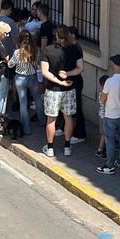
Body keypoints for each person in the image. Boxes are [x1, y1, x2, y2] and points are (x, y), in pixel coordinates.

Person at [38, 23, 75, 158]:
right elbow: (80, 68)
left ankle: (50, 148)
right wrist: (67, 77)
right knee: (68, 117)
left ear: (56, 36)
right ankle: (67, 146)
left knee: (51, 119)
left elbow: (45, 72)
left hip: (53, 90)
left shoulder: (47, 50)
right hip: (69, 88)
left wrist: (59, 81)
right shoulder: (74, 49)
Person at [95, 54, 120, 175]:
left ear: (115, 65)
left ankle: (109, 165)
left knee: (109, 140)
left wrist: (105, 106)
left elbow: (103, 98)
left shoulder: (110, 81)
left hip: (110, 115)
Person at [0, 31, 37, 135]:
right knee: (37, 99)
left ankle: (26, 128)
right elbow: (37, 64)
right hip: (32, 77)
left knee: (23, 104)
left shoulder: (17, 52)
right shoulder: (34, 51)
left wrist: (7, 60)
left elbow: (10, 65)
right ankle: (42, 121)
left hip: (20, 79)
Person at [57, 25, 87, 142]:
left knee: (77, 108)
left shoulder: (76, 48)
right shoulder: (64, 47)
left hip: (75, 81)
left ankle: (80, 134)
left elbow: (80, 68)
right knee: (62, 106)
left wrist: (67, 74)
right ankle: (63, 127)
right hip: (65, 81)